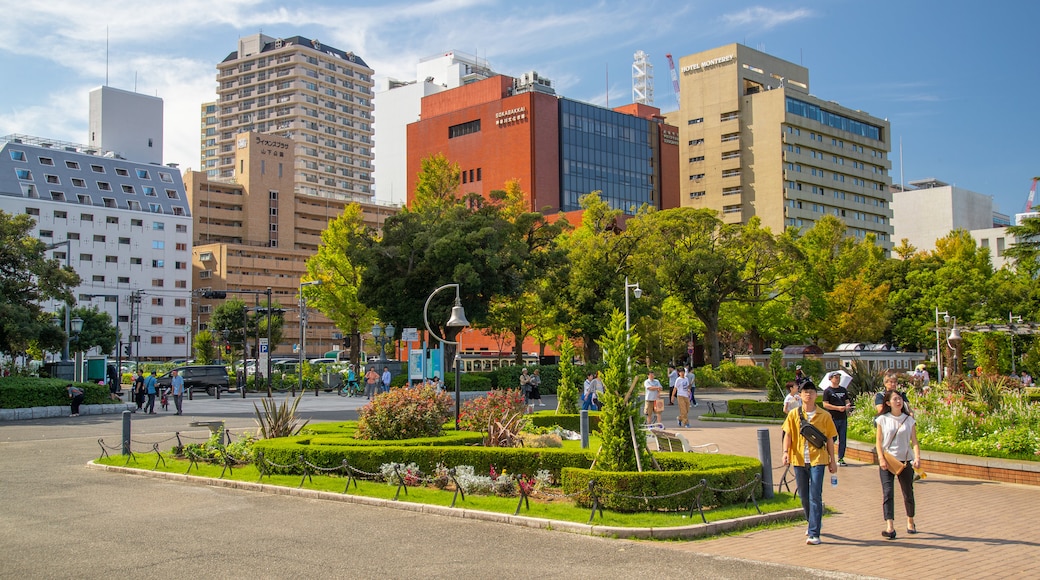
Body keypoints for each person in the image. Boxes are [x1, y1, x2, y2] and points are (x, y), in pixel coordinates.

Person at [782, 381, 838, 545]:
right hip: (799, 459)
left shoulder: (824, 415)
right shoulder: (794, 414)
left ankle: (814, 532)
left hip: (818, 459)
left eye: (812, 391)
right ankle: (812, 521)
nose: (809, 394)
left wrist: (832, 461)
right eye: (805, 391)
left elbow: (830, 439)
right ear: (800, 394)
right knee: (804, 496)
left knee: (815, 495)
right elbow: (788, 435)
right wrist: (785, 452)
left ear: (816, 395)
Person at [875, 390, 922, 539]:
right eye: (895, 399)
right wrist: (881, 458)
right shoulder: (883, 419)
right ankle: (890, 526)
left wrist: (917, 457)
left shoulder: (908, 420)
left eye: (899, 399)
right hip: (888, 460)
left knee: (908, 492)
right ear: (888, 403)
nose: (898, 401)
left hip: (905, 460)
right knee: (888, 492)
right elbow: (878, 441)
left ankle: (910, 521)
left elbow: (914, 441)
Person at [821, 371, 852, 466]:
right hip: (833, 418)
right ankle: (827, 455)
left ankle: (841, 458)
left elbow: (847, 400)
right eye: (835, 377)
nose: (837, 379)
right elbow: (825, 404)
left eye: (838, 377)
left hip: (843, 418)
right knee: (832, 438)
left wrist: (847, 406)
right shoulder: (827, 391)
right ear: (830, 379)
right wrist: (837, 408)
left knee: (843, 439)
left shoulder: (843, 390)